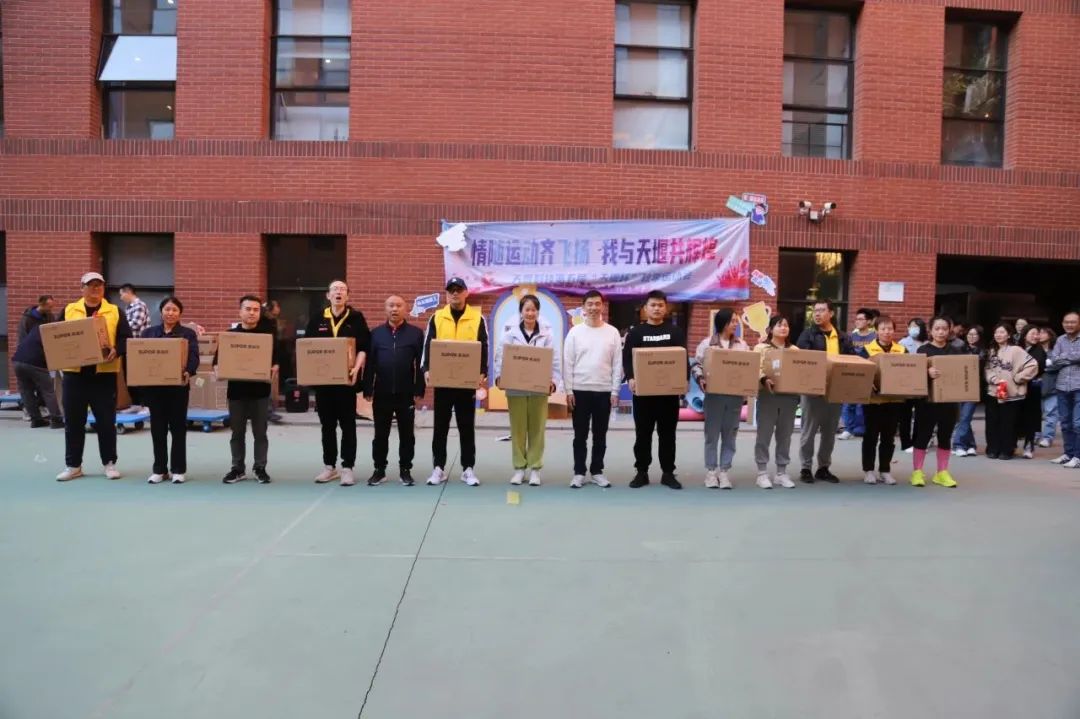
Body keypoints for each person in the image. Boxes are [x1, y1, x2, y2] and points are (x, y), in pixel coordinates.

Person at [56, 272, 133, 481]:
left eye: (99, 285)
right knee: (73, 422)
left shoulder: (114, 311)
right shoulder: (69, 310)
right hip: (74, 375)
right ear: (82, 288)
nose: (95, 289)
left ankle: (109, 463)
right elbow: (55, 337)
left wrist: (116, 350)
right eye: (91, 285)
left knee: (106, 421)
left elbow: (126, 338)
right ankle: (73, 465)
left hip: (104, 375)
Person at [422, 277, 489, 486]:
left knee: (466, 427)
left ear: (466, 293)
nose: (454, 293)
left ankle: (468, 469)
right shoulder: (437, 317)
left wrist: (482, 372)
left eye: (459, 290)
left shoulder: (477, 318)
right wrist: (426, 369)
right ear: (447, 294)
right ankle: (438, 468)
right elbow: (428, 345)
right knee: (440, 427)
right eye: (451, 290)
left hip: (466, 383)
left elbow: (484, 346)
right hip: (443, 382)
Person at [304, 280, 370, 486]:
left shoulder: (356, 318)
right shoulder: (317, 318)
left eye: (342, 290)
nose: (338, 292)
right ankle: (329, 467)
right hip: (323, 383)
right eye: (334, 289)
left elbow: (363, 347)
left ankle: (347, 467)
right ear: (328, 295)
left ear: (347, 296)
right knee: (327, 426)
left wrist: (356, 368)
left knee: (348, 425)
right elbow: (307, 348)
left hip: (346, 382)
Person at [494, 294, 562, 486]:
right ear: (521, 312)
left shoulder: (547, 336)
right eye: (527, 309)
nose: (530, 313)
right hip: (515, 389)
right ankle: (519, 468)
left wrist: (553, 381)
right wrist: (499, 376)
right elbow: (500, 357)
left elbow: (555, 361)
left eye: (534, 309)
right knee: (517, 430)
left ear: (538, 312)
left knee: (537, 429)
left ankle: (535, 469)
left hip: (539, 390)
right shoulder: (509, 335)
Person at [623, 290, 689, 489]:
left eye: (660, 305)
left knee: (667, 434)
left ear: (666, 308)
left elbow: (682, 358)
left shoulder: (675, 332)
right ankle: (641, 472)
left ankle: (668, 473)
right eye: (653, 305)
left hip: (668, 395)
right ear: (645, 308)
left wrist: (684, 380)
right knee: (643, 434)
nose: (657, 308)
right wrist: (631, 377)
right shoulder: (636, 332)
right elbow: (627, 358)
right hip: (643, 394)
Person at [216, 295, 281, 484]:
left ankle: (260, 468)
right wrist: (219, 371)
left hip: (260, 392)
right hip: (236, 392)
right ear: (240, 311)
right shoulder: (230, 336)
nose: (252, 313)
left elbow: (276, 361)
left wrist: (275, 368)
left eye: (255, 310)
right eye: (248, 309)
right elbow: (217, 362)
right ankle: (237, 469)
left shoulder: (267, 337)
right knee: (237, 433)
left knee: (260, 433)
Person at [362, 294, 426, 486]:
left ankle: (405, 470)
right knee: (380, 434)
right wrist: (367, 388)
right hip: (382, 392)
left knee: (407, 434)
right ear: (385, 309)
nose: (394, 309)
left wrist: (419, 388)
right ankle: (379, 470)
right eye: (391, 305)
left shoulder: (416, 334)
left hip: (406, 393)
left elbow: (421, 363)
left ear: (405, 309)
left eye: (398, 305)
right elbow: (370, 363)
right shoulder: (376, 334)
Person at [563, 290, 622, 489]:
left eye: (597, 304)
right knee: (580, 435)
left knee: (600, 435)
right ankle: (579, 472)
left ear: (602, 306)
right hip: (579, 390)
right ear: (583, 307)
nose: (594, 307)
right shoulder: (575, 333)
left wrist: (615, 391)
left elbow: (617, 364)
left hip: (604, 391)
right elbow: (568, 363)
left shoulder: (612, 332)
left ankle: (597, 471)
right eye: (590, 304)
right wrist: (569, 390)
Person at [142, 297, 200, 484]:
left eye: (174, 310)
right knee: (157, 429)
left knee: (178, 429)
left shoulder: (187, 334)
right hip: (155, 389)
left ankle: (178, 469)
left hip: (178, 388)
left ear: (180, 313)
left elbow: (194, 356)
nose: (170, 313)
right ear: (161, 312)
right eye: (167, 309)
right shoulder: (148, 333)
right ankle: (159, 469)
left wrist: (189, 371)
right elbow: (139, 357)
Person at [795, 299, 854, 483]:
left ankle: (823, 467)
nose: (817, 314)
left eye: (821, 310)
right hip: (812, 390)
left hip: (835, 390)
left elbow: (852, 360)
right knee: (808, 431)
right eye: (815, 311)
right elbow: (802, 360)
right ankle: (805, 468)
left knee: (829, 433)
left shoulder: (843, 337)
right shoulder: (807, 335)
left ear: (831, 313)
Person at [690, 307, 749, 489]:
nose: (735, 324)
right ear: (723, 322)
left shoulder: (742, 345)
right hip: (714, 396)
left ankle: (724, 471)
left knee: (730, 434)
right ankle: (711, 472)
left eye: (736, 321)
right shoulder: (707, 344)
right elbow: (696, 365)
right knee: (712, 434)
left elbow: (748, 367)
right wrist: (701, 379)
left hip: (734, 397)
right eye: (732, 321)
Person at [910, 317, 961, 488]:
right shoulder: (923, 350)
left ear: (949, 330)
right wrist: (926, 371)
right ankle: (917, 472)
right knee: (922, 435)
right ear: (930, 331)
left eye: (944, 329)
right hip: (927, 402)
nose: (941, 332)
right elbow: (914, 375)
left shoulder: (955, 351)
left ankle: (942, 472)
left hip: (949, 401)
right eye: (937, 328)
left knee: (945, 436)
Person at [857, 315, 906, 485]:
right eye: (883, 328)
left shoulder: (902, 350)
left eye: (890, 328)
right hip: (873, 401)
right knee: (870, 435)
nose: (887, 332)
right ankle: (868, 470)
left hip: (894, 401)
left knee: (888, 437)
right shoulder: (867, 350)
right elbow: (861, 373)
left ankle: (885, 470)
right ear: (876, 331)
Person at [752, 314, 799, 489]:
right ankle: (762, 473)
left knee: (785, 436)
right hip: (767, 396)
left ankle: (781, 472)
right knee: (764, 435)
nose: (783, 328)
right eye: (779, 325)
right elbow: (755, 368)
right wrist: (764, 379)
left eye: (786, 325)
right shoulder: (761, 348)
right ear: (770, 329)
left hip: (789, 397)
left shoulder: (794, 350)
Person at [983, 323, 1037, 460]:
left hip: (1012, 394)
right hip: (994, 392)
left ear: (1008, 335)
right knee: (992, 422)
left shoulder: (1016, 350)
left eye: (1002, 332)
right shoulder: (991, 351)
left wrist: (1018, 378)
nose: (998, 335)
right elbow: (987, 369)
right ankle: (992, 449)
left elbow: (1032, 365)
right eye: (996, 332)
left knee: (1008, 423)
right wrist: (993, 379)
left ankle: (1007, 450)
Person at [12, 324, 64, 428]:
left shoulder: (37, 328)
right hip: (34, 362)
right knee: (48, 390)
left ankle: (36, 420)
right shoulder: (54, 332)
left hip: (17, 361)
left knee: (26, 391)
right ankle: (56, 419)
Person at [1046, 311, 1080, 469]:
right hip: (1062, 386)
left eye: (1073, 322)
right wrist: (1072, 358)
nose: (1069, 325)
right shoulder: (1060, 339)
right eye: (1066, 322)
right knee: (1065, 423)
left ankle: (1078, 457)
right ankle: (1068, 454)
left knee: (1078, 423)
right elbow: (1054, 360)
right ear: (1062, 323)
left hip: (1079, 386)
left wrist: (1063, 357)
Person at [839, 307, 877, 440]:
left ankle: (861, 429)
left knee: (862, 403)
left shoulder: (874, 337)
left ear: (869, 322)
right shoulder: (850, 336)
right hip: (851, 371)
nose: (858, 321)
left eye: (861, 319)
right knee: (849, 402)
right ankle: (848, 429)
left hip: (867, 372)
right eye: (857, 319)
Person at [898, 318, 928, 452]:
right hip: (906, 383)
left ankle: (918, 442)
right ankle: (906, 443)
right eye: (911, 326)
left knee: (920, 416)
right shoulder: (903, 343)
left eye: (917, 326)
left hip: (922, 383)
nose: (914, 329)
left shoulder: (927, 344)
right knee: (905, 415)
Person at [1019, 325, 1047, 459]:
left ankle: (1028, 446)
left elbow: (1038, 368)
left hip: (1032, 388)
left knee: (1030, 417)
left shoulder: (1039, 350)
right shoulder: (1017, 348)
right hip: (1017, 388)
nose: (1036, 336)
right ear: (1024, 335)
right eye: (1033, 333)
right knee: (1016, 416)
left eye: (1037, 334)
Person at [262, 299, 285, 424]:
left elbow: (274, 343)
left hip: (268, 357)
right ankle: (266, 412)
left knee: (266, 384)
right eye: (277, 306)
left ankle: (268, 412)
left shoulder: (272, 321)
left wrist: (275, 362)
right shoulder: (262, 320)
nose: (279, 308)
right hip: (259, 356)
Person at [1038, 326, 1059, 448]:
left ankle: (1047, 437)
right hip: (1036, 386)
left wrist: (1043, 368)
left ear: (1050, 335)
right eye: (1039, 333)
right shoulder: (1035, 350)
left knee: (1051, 413)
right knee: (1036, 413)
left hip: (1052, 386)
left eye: (1043, 332)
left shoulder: (1056, 350)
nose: (1040, 335)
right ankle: (1035, 435)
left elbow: (1059, 364)